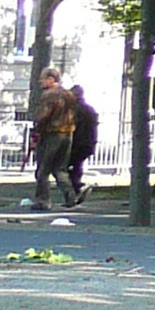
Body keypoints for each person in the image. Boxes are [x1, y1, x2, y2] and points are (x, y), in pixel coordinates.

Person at [28, 75, 76, 210]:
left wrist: (37, 129)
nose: (40, 81)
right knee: (60, 168)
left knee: (43, 169)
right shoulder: (69, 95)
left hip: (52, 133)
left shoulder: (49, 95)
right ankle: (70, 196)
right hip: (67, 133)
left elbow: (44, 115)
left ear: (51, 79)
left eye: (42, 79)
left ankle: (43, 201)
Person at [66, 83, 101, 205]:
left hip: (77, 143)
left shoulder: (74, 110)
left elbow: (72, 127)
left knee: (64, 167)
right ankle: (77, 190)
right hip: (88, 143)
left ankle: (77, 188)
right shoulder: (90, 109)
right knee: (76, 166)